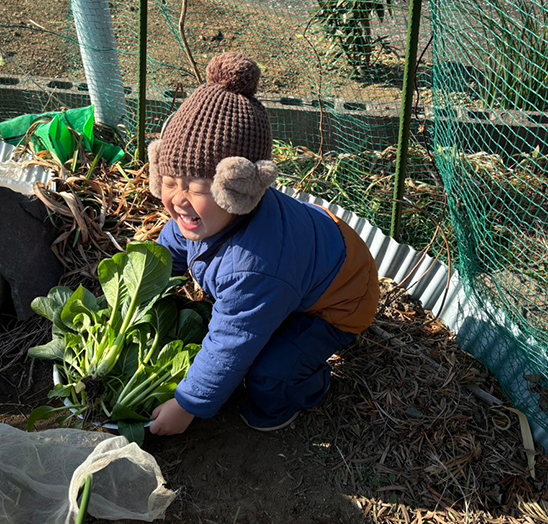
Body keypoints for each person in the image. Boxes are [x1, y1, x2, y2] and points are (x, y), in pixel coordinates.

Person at [147, 51, 380, 435]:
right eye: (170, 181)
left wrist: (188, 405)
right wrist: (140, 289)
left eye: (199, 188)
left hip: (343, 299)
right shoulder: (201, 222)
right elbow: (169, 248)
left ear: (238, 186)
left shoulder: (252, 268)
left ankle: (304, 387)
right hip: (311, 257)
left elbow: (230, 344)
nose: (179, 198)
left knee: (266, 379)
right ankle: (283, 313)